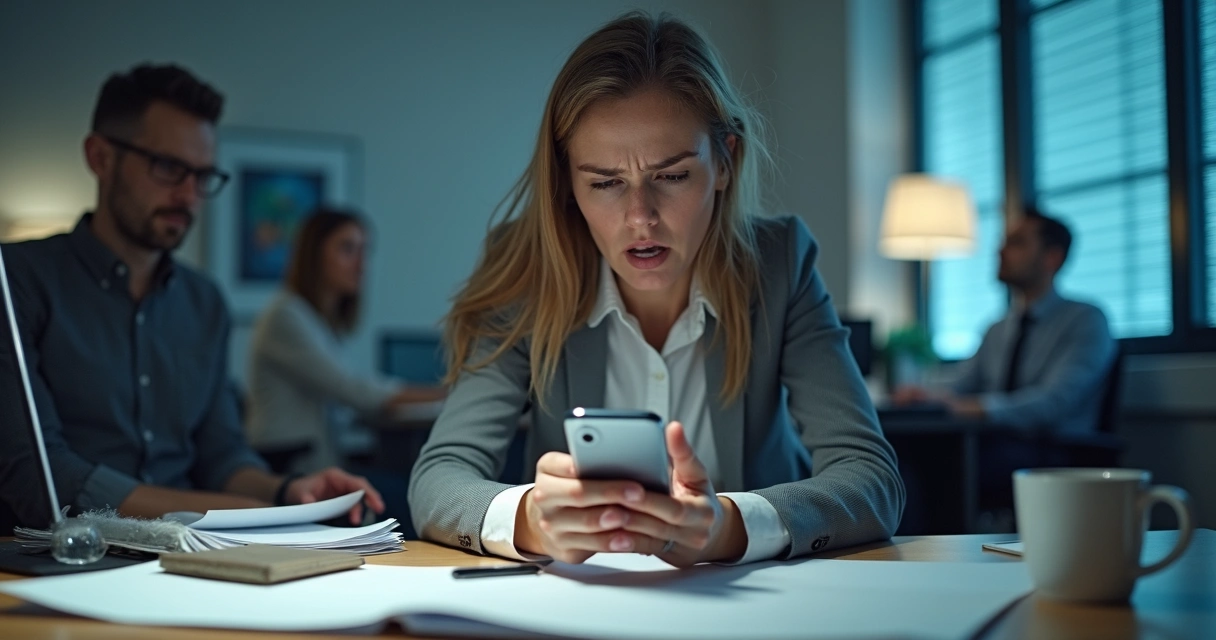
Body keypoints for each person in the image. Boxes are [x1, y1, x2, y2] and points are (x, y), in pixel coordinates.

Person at [409, 12, 904, 567]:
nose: (640, 218)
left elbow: (871, 478)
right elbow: (438, 478)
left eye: (670, 177)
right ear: (568, 184)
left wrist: (728, 526)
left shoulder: (779, 263)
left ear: (724, 161)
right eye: (604, 183)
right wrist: (533, 519)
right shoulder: (528, 269)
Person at [0, 64, 382, 530]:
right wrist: (232, 512)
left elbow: (222, 456)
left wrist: (287, 490)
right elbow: (38, 474)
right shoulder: (17, 279)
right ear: (100, 157)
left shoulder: (204, 303)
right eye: (168, 168)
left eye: (202, 176)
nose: (189, 195)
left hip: (193, 557)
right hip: (66, 557)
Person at [245, 208, 446, 475]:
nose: (361, 264)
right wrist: (446, 394)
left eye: (365, 251)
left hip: (315, 460)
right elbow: (353, 389)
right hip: (289, 465)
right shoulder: (285, 315)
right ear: (314, 255)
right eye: (347, 249)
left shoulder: (320, 322)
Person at [892, 208, 1116, 435]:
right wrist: (924, 396)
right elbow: (962, 384)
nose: (1000, 251)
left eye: (1016, 243)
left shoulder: (1085, 321)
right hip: (993, 443)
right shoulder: (997, 329)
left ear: (1052, 257)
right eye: (1003, 242)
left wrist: (978, 408)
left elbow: (1054, 402)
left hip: (1052, 452)